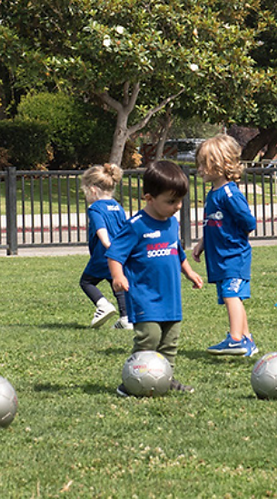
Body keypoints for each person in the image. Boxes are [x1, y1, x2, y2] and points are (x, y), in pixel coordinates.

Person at [107, 160, 204, 395]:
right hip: (145, 296)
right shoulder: (135, 226)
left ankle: (165, 378)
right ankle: (132, 381)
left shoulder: (171, 222)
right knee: (149, 338)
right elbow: (115, 254)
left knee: (170, 341)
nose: (178, 206)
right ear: (149, 198)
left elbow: (176, 251)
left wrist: (189, 272)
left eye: (180, 200)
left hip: (171, 297)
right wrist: (117, 276)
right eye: (171, 201)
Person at [191, 135, 258, 357]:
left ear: (220, 165)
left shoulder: (229, 193)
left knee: (231, 295)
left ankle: (236, 338)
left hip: (233, 256)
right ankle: (247, 340)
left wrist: (233, 239)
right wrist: (202, 242)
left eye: (204, 164)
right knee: (232, 296)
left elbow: (248, 222)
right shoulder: (213, 194)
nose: (199, 169)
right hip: (219, 257)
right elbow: (213, 222)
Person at [80, 163, 131, 330]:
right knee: (116, 282)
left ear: (93, 190)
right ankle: (126, 318)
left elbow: (101, 229)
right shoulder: (118, 206)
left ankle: (103, 305)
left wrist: (108, 245)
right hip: (119, 254)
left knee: (86, 282)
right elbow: (125, 229)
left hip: (104, 254)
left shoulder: (95, 208)